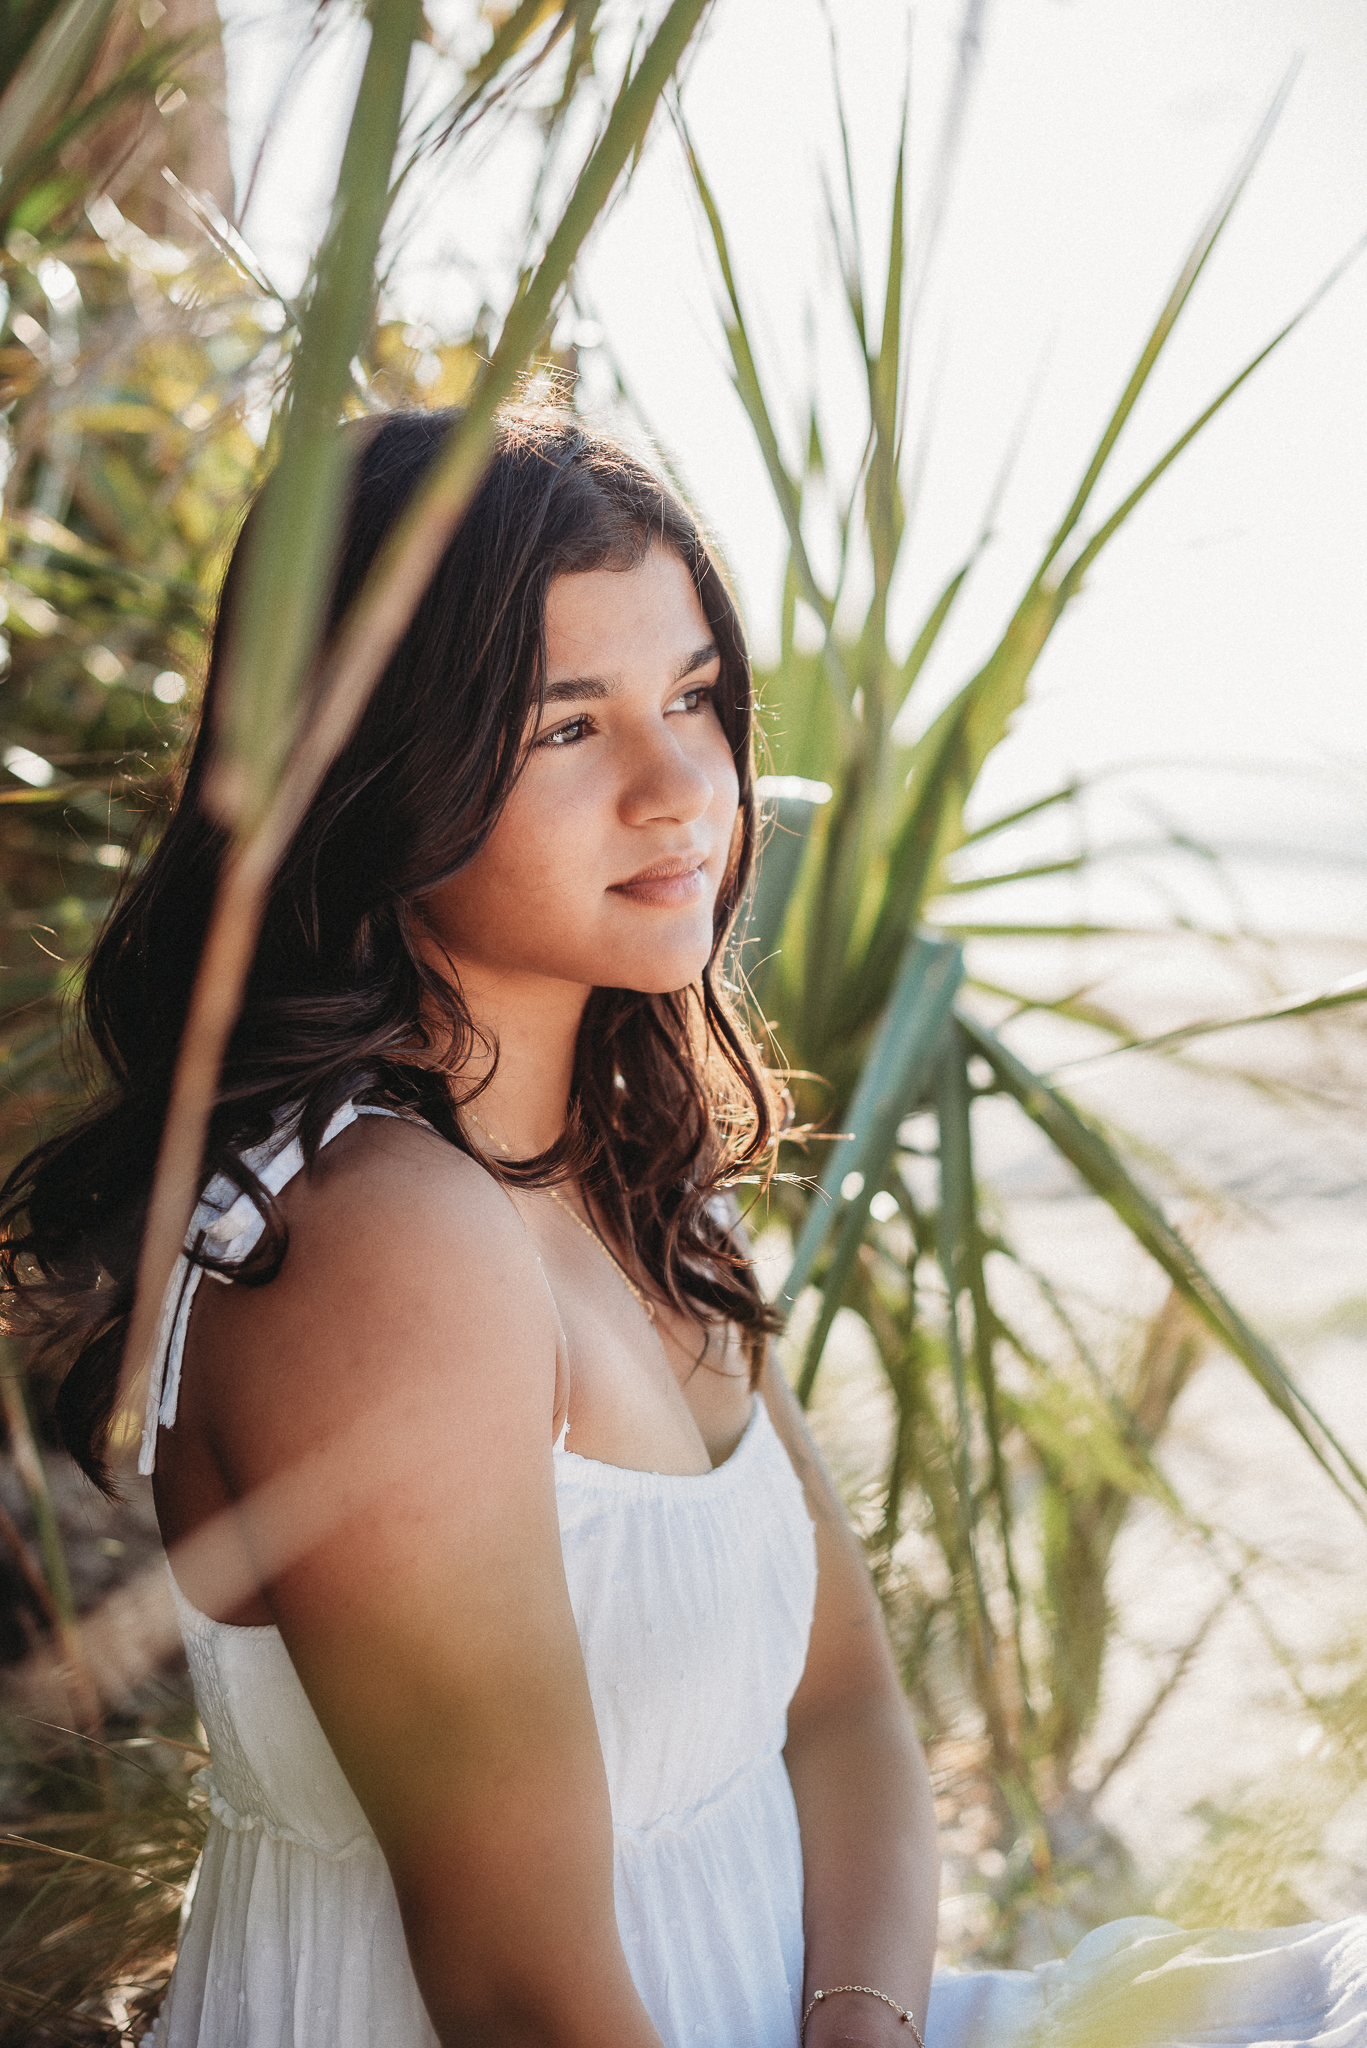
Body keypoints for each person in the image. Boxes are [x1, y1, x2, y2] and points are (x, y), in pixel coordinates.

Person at [2, 405, 1363, 2048]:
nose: (681, 791)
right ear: (369, 771)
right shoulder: (382, 1249)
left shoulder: (629, 1177)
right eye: (565, 728)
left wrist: (866, 2021)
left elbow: (846, 1706)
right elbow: (516, 1991)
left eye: (697, 700)